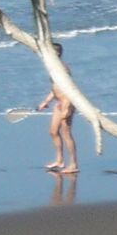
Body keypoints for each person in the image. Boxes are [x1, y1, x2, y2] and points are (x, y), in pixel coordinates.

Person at [35, 43, 79, 175]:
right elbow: (55, 88)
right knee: (53, 132)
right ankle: (60, 160)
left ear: (57, 54)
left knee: (66, 134)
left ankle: (73, 164)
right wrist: (45, 102)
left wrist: (67, 107)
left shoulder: (63, 68)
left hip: (67, 103)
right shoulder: (53, 68)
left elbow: (70, 88)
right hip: (58, 103)